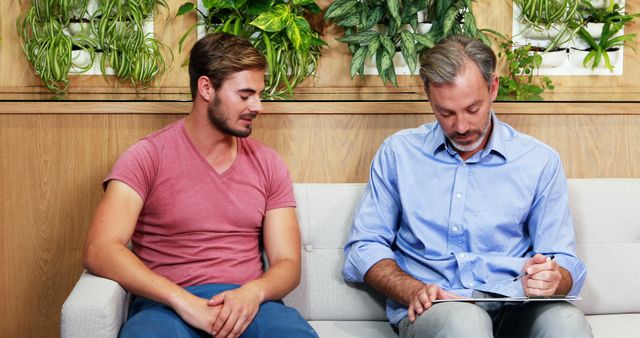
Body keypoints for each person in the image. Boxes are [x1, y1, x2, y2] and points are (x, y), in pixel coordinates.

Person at [342, 36, 593, 338]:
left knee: (568, 323)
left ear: (493, 89)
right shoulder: (398, 153)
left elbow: (562, 259)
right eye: (445, 113)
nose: (460, 127)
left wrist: (555, 278)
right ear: (429, 97)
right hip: (438, 310)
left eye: (473, 109)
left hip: (518, 305)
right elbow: (365, 246)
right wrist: (413, 290)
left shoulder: (539, 161)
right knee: (467, 325)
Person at [82, 32, 318, 338]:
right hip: (166, 307)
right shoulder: (147, 156)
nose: (258, 106)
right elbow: (99, 249)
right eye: (245, 95)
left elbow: (287, 263)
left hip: (248, 305)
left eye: (259, 94)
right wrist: (182, 301)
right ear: (206, 88)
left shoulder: (269, 163)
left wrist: (254, 293)